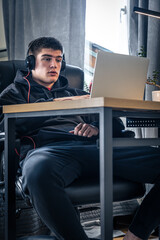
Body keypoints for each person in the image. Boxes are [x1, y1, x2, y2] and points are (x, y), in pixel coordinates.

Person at [0, 37, 160, 240]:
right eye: (47, 59)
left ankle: (136, 235)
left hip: (96, 147)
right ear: (30, 63)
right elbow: (5, 128)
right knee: (37, 171)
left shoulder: (79, 94)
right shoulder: (12, 95)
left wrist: (96, 128)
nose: (54, 65)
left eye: (58, 60)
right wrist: (55, 104)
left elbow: (116, 126)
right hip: (50, 153)